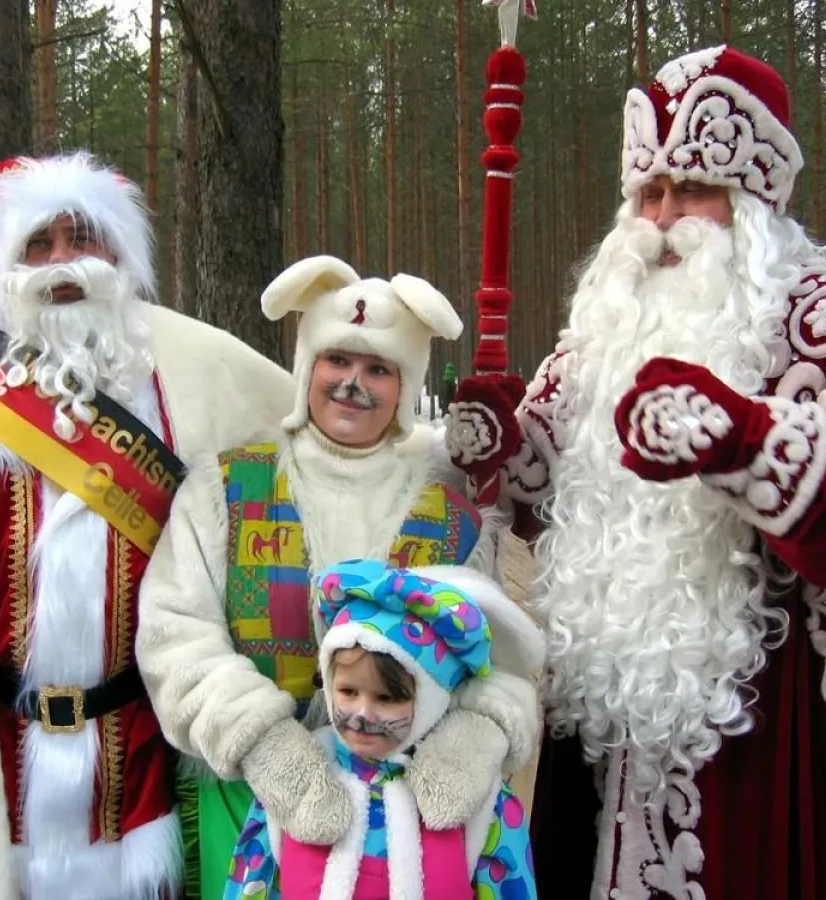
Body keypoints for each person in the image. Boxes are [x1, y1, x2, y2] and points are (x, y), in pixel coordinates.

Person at [445, 46, 826, 899]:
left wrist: (749, 444)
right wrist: (500, 445)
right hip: (608, 737)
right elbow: (543, 493)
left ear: (754, 204)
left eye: (691, 190)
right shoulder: (600, 342)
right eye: (646, 193)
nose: (661, 218)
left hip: (768, 741)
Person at [0, 151, 295, 899]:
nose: (62, 262)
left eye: (83, 238)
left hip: (144, 748)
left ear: (120, 254)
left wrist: (445, 458)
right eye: (40, 244)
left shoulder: (195, 368)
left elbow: (317, 441)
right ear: (10, 264)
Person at [137, 255, 541, 900]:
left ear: (403, 387)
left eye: (379, 368)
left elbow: (492, 663)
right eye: (337, 361)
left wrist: (471, 740)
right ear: (307, 369)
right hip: (252, 798)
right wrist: (268, 748)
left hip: (404, 821)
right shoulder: (227, 488)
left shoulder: (449, 512)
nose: (354, 383)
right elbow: (175, 636)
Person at [223, 559, 543, 900]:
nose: (363, 714)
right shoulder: (296, 782)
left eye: (387, 698)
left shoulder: (481, 799)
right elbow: (253, 883)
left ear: (431, 700)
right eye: (348, 692)